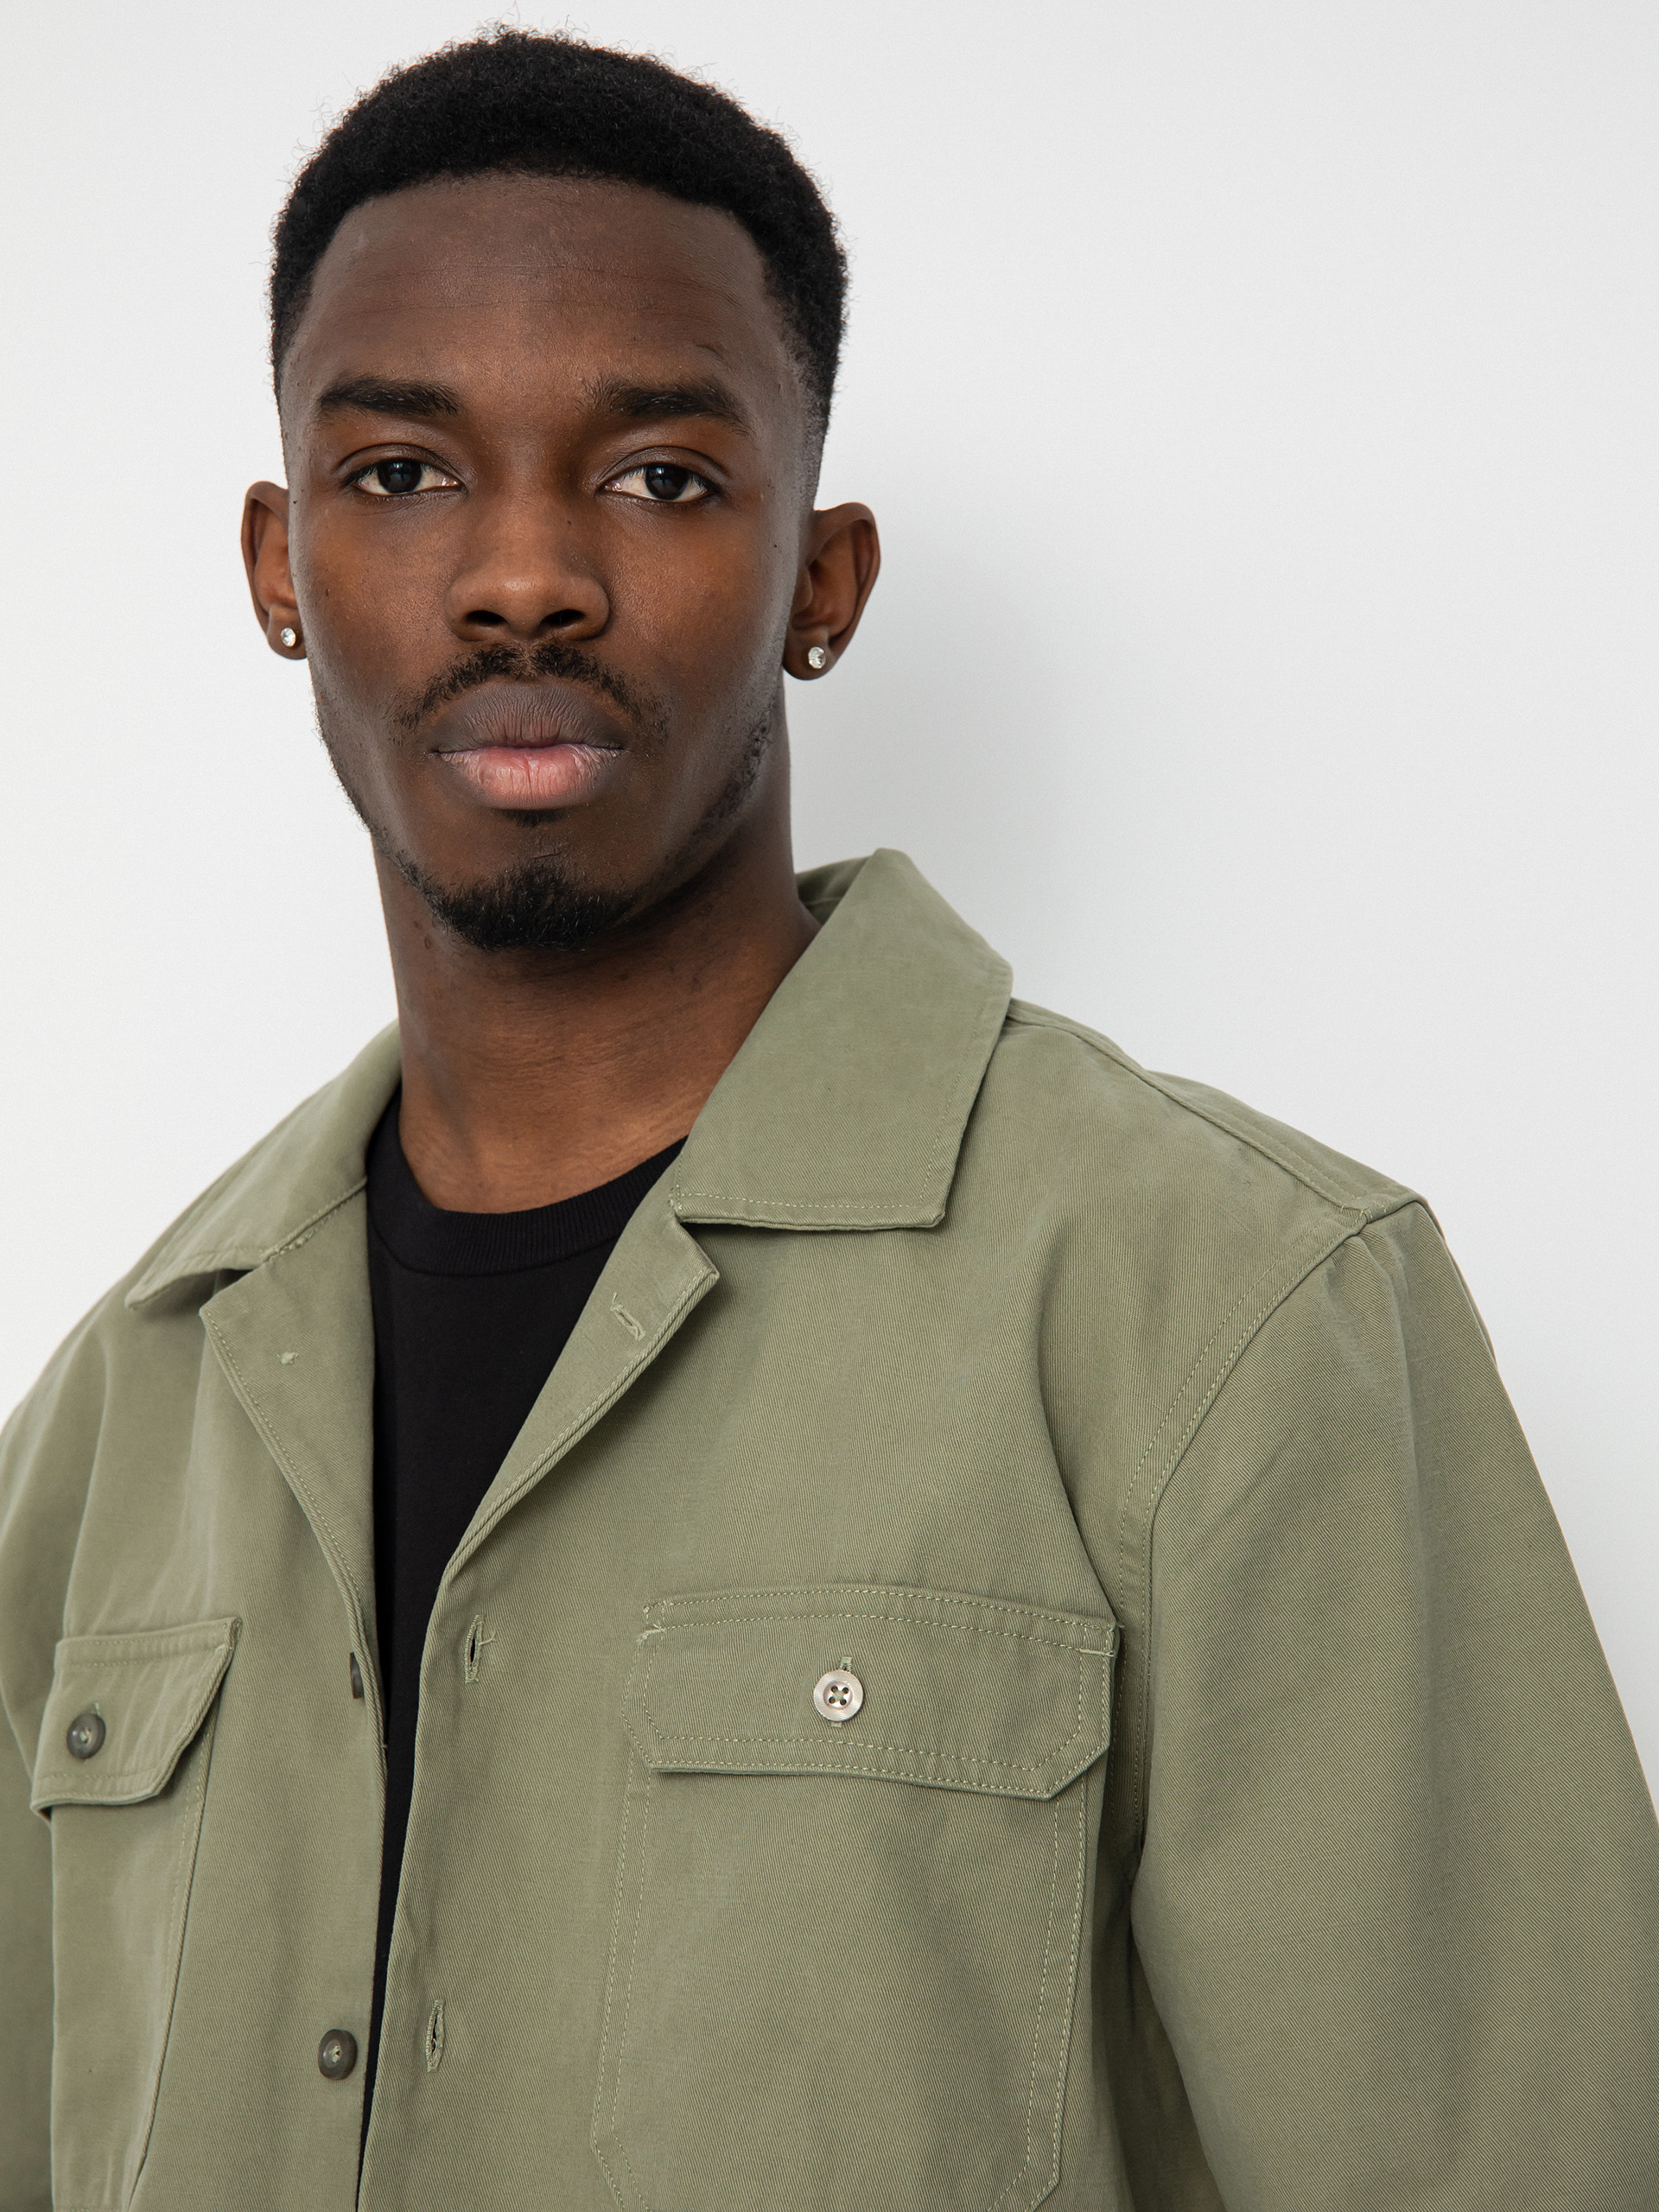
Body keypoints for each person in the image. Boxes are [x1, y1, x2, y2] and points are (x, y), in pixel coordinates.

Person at [1, 28, 1654, 2212]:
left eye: (660, 477)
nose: (522, 574)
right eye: (399, 471)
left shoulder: (1237, 1314)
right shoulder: (120, 1417)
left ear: (823, 578)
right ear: (276, 560)